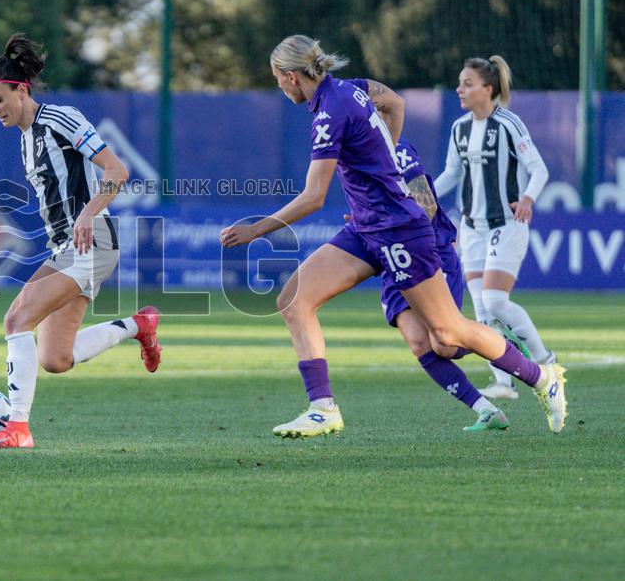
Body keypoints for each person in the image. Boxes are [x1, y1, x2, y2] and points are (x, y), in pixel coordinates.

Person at [221, 35, 567, 437]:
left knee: (448, 334)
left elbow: (314, 197)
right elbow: (396, 103)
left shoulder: (328, 115)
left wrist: (256, 231)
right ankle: (322, 407)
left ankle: (542, 377)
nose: (278, 86)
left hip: (398, 229)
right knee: (294, 299)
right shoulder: (354, 88)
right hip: (366, 227)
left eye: (277, 79)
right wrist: (385, 152)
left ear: (292, 77)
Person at [0, 33, 162, 449]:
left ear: (21, 90)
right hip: (66, 248)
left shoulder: (60, 118)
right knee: (54, 359)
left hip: (92, 240)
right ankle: (139, 325)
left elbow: (117, 171)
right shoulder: (25, 140)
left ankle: (18, 428)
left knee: (15, 321)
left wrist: (88, 213)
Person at [435, 56, 554, 400]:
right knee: (481, 310)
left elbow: (539, 169)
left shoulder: (508, 124)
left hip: (508, 224)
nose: (460, 89)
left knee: (495, 300)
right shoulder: (459, 128)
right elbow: (451, 174)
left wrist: (528, 199)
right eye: (460, 83)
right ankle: (504, 382)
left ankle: (547, 362)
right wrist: (416, 195)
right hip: (471, 228)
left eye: (467, 84)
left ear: (488, 89)